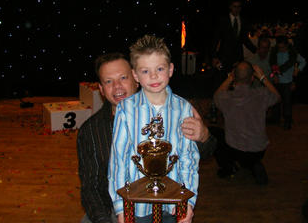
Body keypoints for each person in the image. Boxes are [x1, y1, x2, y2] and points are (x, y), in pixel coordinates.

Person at [77, 52, 215, 223]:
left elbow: (204, 154)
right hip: (113, 210)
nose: (117, 87)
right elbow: (90, 188)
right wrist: (108, 218)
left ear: (135, 78)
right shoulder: (89, 131)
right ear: (101, 89)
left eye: (123, 77)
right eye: (108, 81)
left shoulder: (171, 112)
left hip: (166, 206)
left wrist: (204, 136)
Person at [108, 35, 200, 223]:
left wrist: (188, 203)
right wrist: (121, 207)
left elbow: (188, 158)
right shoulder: (125, 110)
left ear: (171, 69)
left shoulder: (184, 108)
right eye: (145, 71)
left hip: (173, 205)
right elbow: (118, 161)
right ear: (135, 75)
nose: (154, 76)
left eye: (159, 68)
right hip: (136, 206)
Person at [214, 61, 280, 185]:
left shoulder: (226, 97)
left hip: (234, 149)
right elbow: (277, 96)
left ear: (234, 76)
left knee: (213, 133)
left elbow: (216, 95)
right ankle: (253, 164)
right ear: (252, 78)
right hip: (258, 150)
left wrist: (230, 78)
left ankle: (229, 167)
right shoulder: (261, 94)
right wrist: (262, 77)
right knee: (250, 154)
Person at [209, 0, 257, 123]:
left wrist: (256, 50)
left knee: (235, 85)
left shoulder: (243, 21)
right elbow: (215, 39)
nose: (237, 9)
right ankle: (213, 111)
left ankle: (230, 113)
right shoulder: (223, 20)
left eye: (239, 6)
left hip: (237, 58)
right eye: (235, 6)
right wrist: (214, 57)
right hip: (223, 58)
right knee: (218, 84)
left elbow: (244, 39)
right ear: (230, 7)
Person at [269, 35, 306, 129]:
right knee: (275, 102)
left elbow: (303, 61)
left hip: (287, 81)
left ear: (287, 45)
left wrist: (298, 69)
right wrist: (275, 75)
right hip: (277, 81)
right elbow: (272, 65)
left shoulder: (293, 53)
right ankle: (275, 118)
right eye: (279, 47)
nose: (281, 49)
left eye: (283, 47)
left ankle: (287, 121)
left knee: (287, 103)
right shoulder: (274, 53)